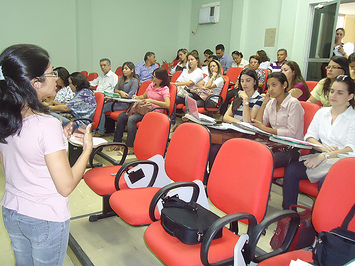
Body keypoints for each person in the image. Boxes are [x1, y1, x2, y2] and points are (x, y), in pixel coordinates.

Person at [0, 44, 93, 265]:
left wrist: (58, 138)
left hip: (12, 210)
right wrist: (87, 150)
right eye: (51, 73)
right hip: (44, 217)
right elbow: (66, 186)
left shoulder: (8, 116)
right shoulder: (46, 124)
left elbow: (15, 161)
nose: (56, 79)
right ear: (35, 83)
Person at [282, 75, 355, 210]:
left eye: (340, 92)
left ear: (350, 96)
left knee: (327, 183)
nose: (333, 95)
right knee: (291, 170)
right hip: (324, 155)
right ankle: (288, 217)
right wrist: (324, 149)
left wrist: (324, 155)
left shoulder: (352, 118)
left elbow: (351, 150)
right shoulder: (322, 112)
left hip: (345, 162)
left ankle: (321, 223)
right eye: (332, 91)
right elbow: (309, 136)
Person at [208, 68, 264, 174]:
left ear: (255, 82)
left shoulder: (259, 99)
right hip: (234, 130)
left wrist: (246, 101)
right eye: (242, 81)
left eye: (248, 80)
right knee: (212, 147)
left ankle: (218, 176)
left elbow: (248, 122)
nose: (244, 84)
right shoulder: (238, 96)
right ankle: (211, 177)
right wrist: (237, 123)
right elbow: (226, 117)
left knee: (217, 149)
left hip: (246, 134)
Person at [113, 67, 170, 155]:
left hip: (154, 112)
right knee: (122, 116)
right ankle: (117, 142)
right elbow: (143, 96)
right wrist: (136, 97)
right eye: (153, 76)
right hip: (144, 109)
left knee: (131, 119)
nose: (153, 78)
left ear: (161, 79)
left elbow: (167, 104)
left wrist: (152, 101)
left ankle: (129, 147)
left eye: (155, 77)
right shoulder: (151, 85)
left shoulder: (164, 89)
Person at [251, 72, 304, 140]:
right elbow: (259, 124)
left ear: (284, 85)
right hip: (275, 141)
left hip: (291, 144)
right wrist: (264, 104)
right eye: (269, 86)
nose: (270, 89)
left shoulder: (293, 103)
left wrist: (265, 129)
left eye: (274, 85)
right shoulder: (271, 103)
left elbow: (291, 133)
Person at [94, 62, 139, 137]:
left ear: (132, 70)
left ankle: (101, 130)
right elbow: (115, 89)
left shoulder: (134, 81)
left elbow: (130, 95)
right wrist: (120, 92)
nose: (124, 70)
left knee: (102, 109)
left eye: (126, 69)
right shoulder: (122, 78)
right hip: (117, 102)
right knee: (100, 107)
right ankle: (97, 129)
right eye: (123, 69)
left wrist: (121, 94)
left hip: (125, 104)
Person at [170, 51, 204, 127]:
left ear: (197, 60)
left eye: (192, 59)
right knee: (172, 99)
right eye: (189, 60)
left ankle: (187, 118)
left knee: (188, 96)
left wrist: (177, 84)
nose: (190, 62)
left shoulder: (199, 71)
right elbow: (178, 80)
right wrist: (179, 83)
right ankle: (172, 122)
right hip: (182, 93)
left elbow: (191, 83)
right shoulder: (185, 71)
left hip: (192, 94)